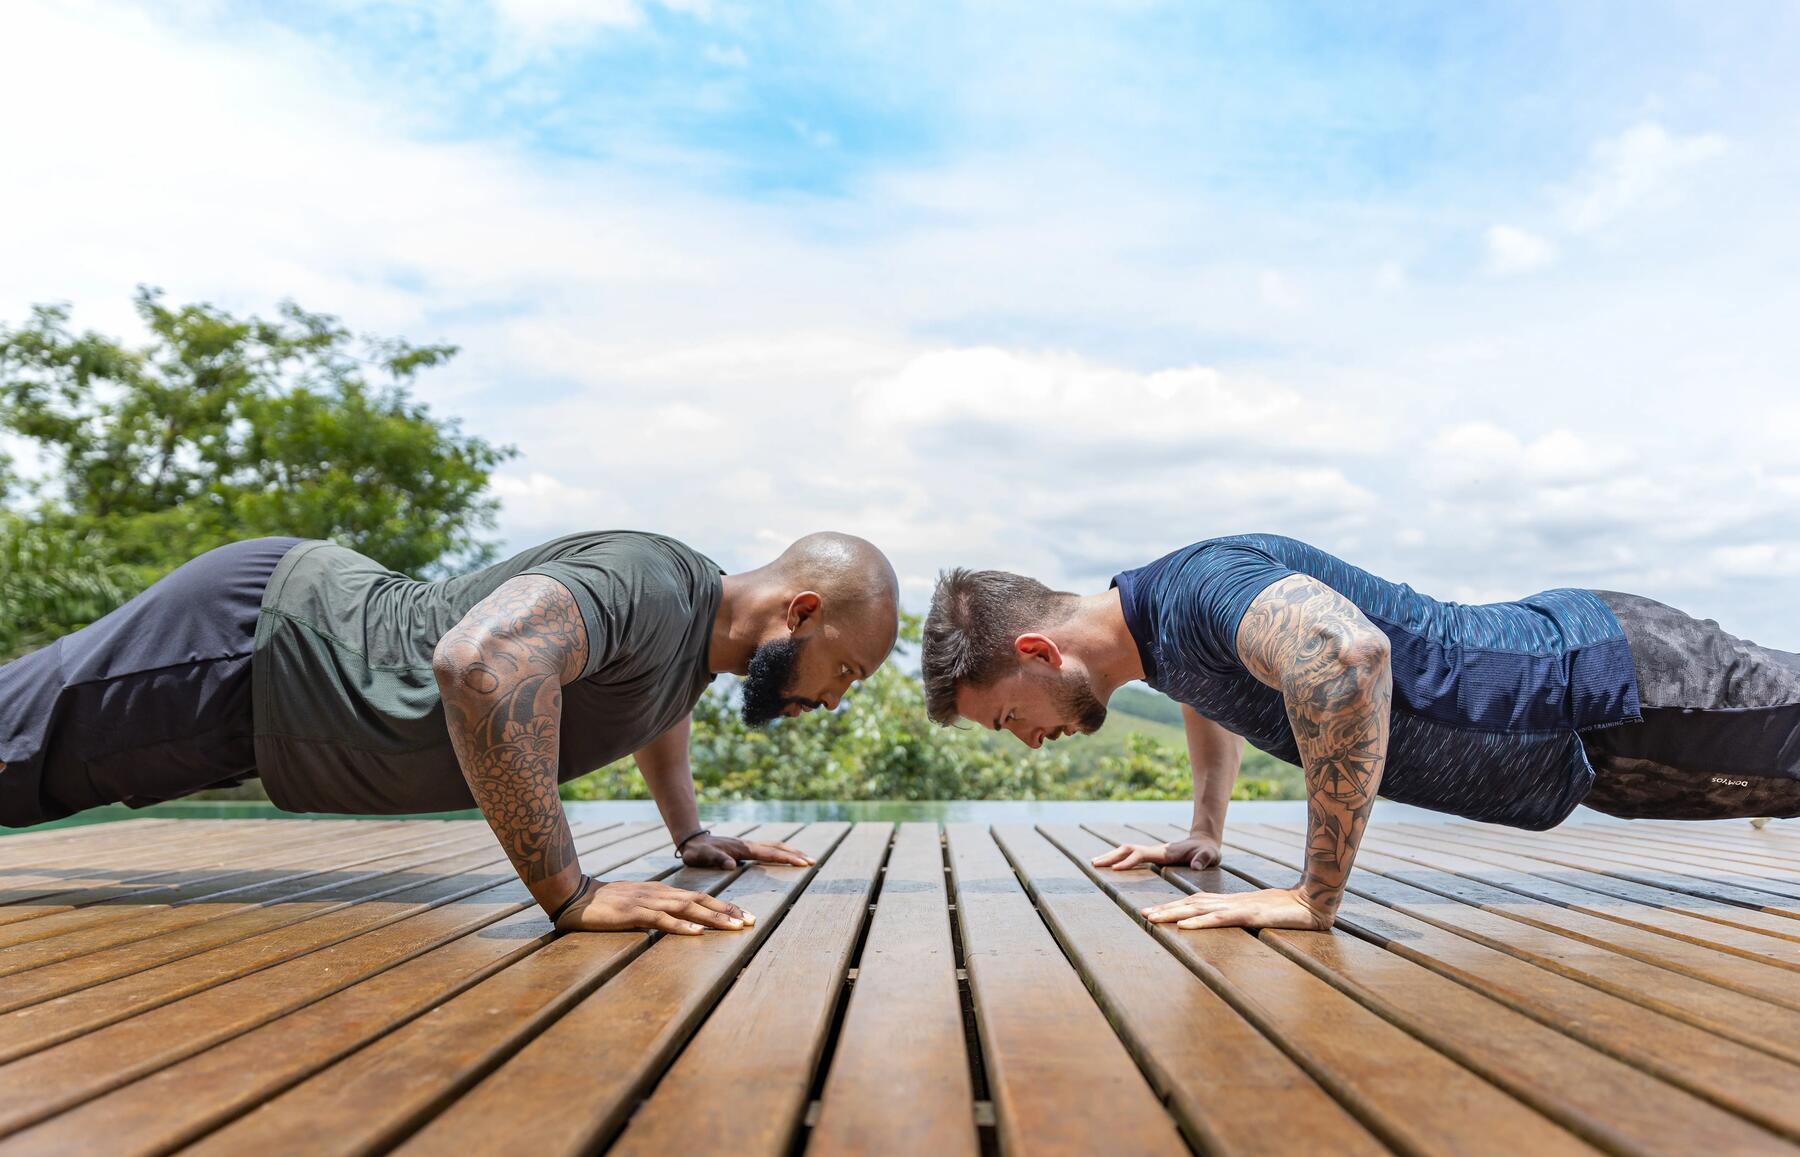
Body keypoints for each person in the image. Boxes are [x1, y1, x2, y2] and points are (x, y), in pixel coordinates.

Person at [0, 530, 900, 935]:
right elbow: (480, 663)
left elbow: (656, 705)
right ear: (803, 610)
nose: (837, 699)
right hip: (257, 643)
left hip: (269, 699)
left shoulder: (693, 639)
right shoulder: (651, 581)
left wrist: (688, 833)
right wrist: (570, 893)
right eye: (846, 670)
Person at [920, 532, 1799, 932]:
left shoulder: (1196, 583)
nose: (1026, 741)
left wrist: (1314, 894)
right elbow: (1210, 691)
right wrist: (1205, 828)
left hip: (1605, 684)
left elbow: (1346, 653)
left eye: (1009, 718)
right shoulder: (1161, 631)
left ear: (1037, 652)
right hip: (1587, 754)